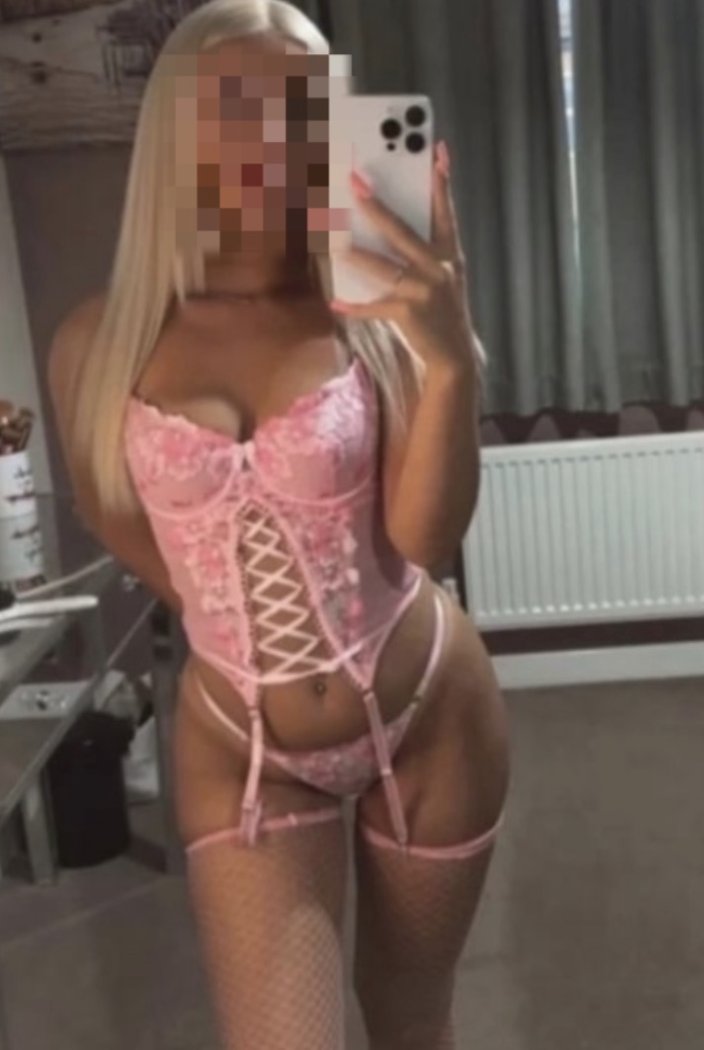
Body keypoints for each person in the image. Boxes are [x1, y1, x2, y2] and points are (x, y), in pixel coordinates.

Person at [47, 1, 510, 1046]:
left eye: (306, 107)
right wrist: (221, 616)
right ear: (179, 138)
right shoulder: (99, 340)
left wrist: (444, 358)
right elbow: (108, 509)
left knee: (408, 1018)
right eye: (242, 113)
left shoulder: (374, 313)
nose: (283, 140)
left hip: (428, 711)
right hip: (243, 748)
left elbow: (424, 540)